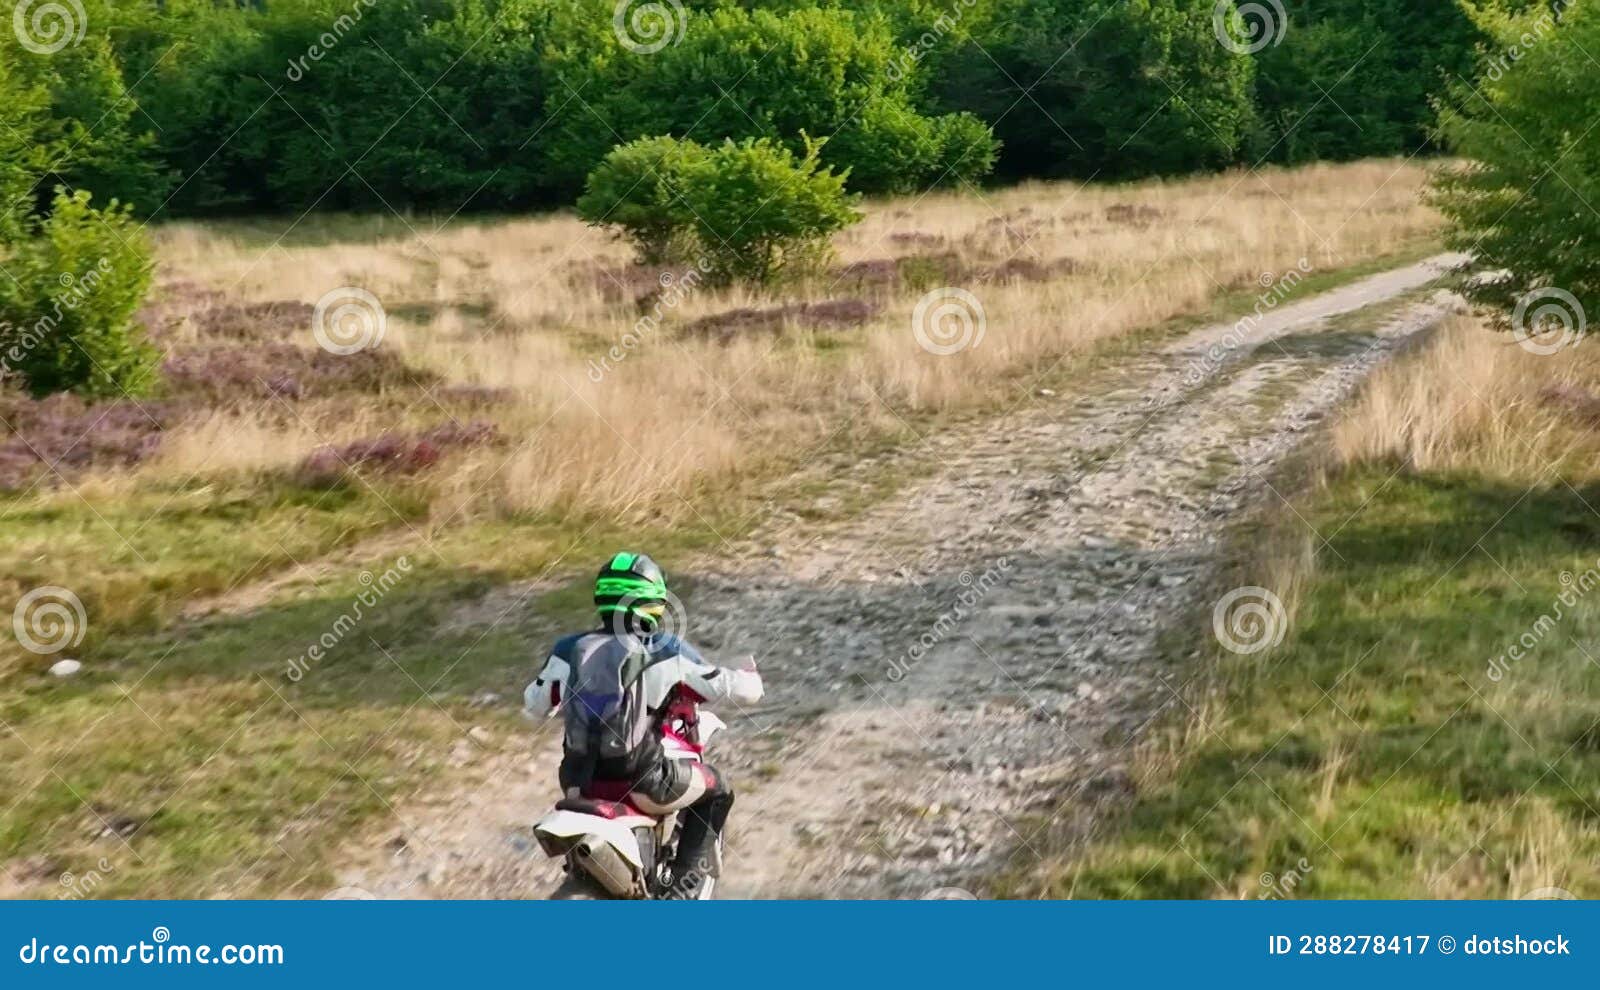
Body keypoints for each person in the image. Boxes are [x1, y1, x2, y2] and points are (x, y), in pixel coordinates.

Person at [523, 551, 763, 898]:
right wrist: (748, 678)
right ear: (654, 601)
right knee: (719, 789)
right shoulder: (665, 650)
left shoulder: (569, 649)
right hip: (643, 781)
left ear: (602, 598)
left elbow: (533, 708)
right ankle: (682, 888)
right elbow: (735, 690)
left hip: (577, 783)